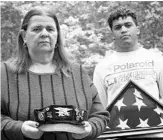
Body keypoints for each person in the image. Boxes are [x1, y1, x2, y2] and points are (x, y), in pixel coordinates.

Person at [1, 7, 110, 140]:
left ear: (57, 36)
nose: (44, 33)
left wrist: (90, 129)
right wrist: (19, 129)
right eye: (37, 29)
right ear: (24, 36)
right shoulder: (5, 74)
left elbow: (100, 115)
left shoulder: (78, 72)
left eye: (50, 29)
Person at [93, 7, 163, 140]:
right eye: (118, 27)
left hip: (154, 134)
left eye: (128, 25)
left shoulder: (156, 59)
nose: (123, 30)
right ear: (112, 34)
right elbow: (100, 110)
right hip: (117, 136)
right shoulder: (102, 67)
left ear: (138, 29)